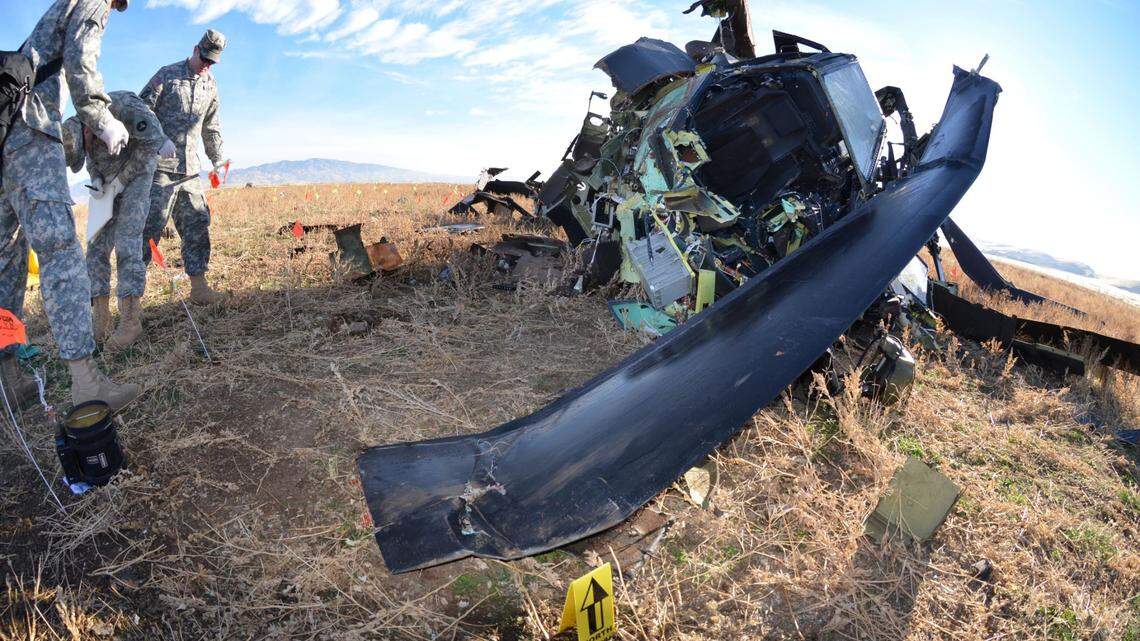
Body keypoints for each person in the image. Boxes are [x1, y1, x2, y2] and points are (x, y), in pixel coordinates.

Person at [0, 0, 139, 412]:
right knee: (60, 252)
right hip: (32, 131)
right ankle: (86, 383)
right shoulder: (92, 1)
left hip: (6, 139)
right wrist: (102, 119)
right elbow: (81, 60)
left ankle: (7, 379)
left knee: (7, 260)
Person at [62, 91, 173, 351]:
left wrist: (123, 180)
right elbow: (91, 158)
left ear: (86, 130)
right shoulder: (78, 128)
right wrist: (96, 178)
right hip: (107, 182)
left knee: (127, 242)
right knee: (95, 247)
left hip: (137, 175)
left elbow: (151, 143)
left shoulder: (121, 106)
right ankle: (101, 317)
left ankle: (130, 320)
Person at [141, 29, 229, 305]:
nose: (206, 65)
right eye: (204, 58)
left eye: (212, 62)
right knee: (148, 230)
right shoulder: (167, 75)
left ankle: (199, 288)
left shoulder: (210, 85)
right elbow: (140, 110)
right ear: (195, 50)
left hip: (190, 171)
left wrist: (218, 159)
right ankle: (132, 301)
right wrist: (158, 138)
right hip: (160, 170)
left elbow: (211, 127)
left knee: (197, 225)